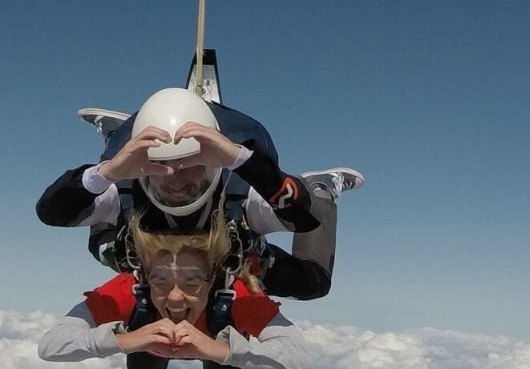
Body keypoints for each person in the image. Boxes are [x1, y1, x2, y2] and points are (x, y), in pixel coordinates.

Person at [36, 88, 364, 300]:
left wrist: (241, 160)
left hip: (236, 262)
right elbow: (52, 212)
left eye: (191, 164)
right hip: (157, 260)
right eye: (160, 165)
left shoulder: (240, 193)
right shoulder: (126, 184)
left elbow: (308, 217)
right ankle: (119, 138)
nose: (175, 180)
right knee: (109, 246)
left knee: (313, 284)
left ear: (214, 163)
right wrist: (109, 171)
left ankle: (321, 186)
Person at [37, 203, 313, 369]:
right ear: (146, 277)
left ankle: (319, 196)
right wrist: (127, 340)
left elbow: (301, 362)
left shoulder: (237, 295)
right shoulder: (129, 288)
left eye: (192, 282)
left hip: (218, 336)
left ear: (212, 279)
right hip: (157, 336)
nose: (175, 296)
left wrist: (216, 350)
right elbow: (51, 346)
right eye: (160, 281)